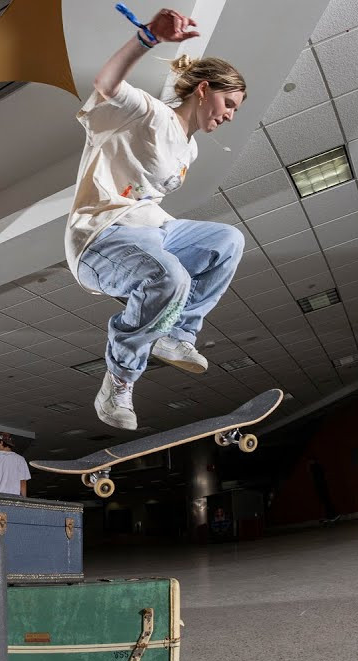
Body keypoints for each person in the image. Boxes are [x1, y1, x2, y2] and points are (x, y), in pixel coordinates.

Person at [66, 8, 248, 430]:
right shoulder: (147, 113)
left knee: (228, 241)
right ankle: (119, 380)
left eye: (235, 110)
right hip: (101, 236)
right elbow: (106, 84)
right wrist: (146, 37)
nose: (229, 115)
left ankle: (176, 334)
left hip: (153, 229)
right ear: (203, 89)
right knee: (173, 278)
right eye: (228, 104)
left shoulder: (190, 148)